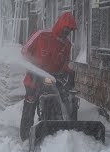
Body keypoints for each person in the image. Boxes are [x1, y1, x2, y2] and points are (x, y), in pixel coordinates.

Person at [20, 12, 77, 141]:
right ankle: (25, 137)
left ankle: (52, 134)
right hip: (33, 78)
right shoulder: (41, 35)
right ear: (60, 25)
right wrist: (33, 67)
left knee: (57, 103)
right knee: (30, 103)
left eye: (70, 30)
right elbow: (25, 50)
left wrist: (69, 71)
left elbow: (65, 63)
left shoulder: (67, 44)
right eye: (66, 28)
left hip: (52, 80)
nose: (67, 32)